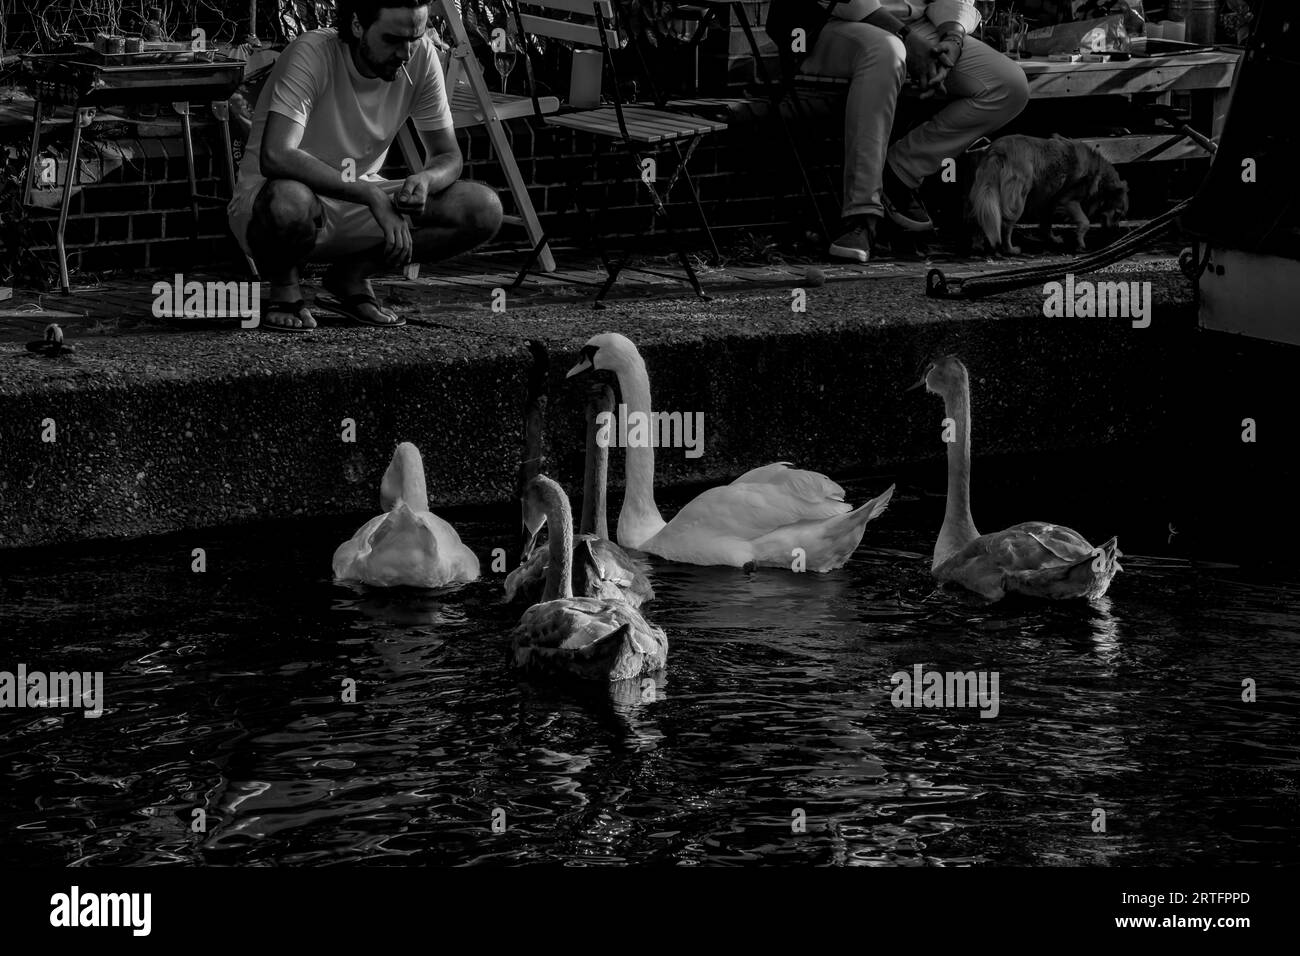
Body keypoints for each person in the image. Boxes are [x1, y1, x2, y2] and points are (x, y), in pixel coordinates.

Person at [227, 0, 503, 331]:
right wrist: (370, 195)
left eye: (414, 38)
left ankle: (351, 277)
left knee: (482, 208)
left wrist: (427, 179)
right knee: (289, 199)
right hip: (273, 207)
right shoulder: (313, 52)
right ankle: (285, 289)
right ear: (357, 25)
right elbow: (277, 155)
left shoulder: (422, 56)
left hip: (361, 201)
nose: (405, 52)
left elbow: (448, 156)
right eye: (393, 39)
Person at [767, 0, 1030, 262]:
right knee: (887, 51)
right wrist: (907, 38)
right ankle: (861, 215)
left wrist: (953, 38)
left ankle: (900, 170)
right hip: (828, 25)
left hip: (917, 27)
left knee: (1009, 84)